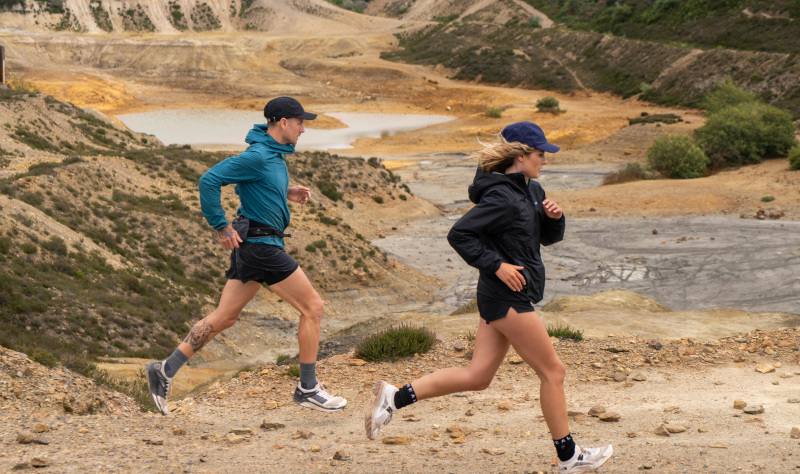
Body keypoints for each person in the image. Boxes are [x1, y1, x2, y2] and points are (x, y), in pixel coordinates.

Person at [365, 122, 612, 472]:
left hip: (505, 295)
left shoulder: (532, 188)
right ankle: (569, 456)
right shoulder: (501, 196)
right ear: (521, 155)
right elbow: (460, 234)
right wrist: (496, 266)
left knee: (478, 377)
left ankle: (394, 397)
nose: (545, 160)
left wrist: (554, 218)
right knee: (553, 372)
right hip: (506, 295)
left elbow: (543, 239)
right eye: (540, 154)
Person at [146, 97, 347, 415]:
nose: (303, 129)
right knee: (314, 308)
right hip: (262, 247)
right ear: (283, 123)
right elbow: (209, 180)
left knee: (225, 316)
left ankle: (164, 370)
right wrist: (221, 226)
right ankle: (308, 388)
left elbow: (256, 184)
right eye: (299, 123)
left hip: (253, 247)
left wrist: (286, 192)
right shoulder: (258, 154)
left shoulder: (274, 155)